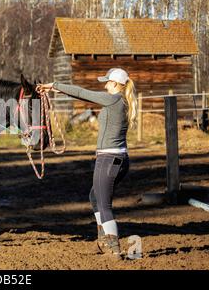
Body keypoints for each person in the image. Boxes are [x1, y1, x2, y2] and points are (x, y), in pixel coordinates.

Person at [37, 68, 137, 258]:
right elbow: (85, 97)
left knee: (104, 205)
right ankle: (103, 239)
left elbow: (84, 93)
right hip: (119, 159)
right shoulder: (122, 101)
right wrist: (61, 90)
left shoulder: (114, 99)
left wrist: (54, 85)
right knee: (94, 197)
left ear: (115, 84)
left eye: (107, 82)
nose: (105, 85)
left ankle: (114, 248)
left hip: (108, 159)